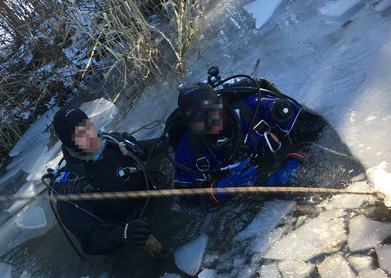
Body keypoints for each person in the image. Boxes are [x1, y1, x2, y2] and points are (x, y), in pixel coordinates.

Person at [168, 71, 327, 205]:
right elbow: (186, 198)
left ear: (221, 104)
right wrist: (221, 189)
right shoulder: (189, 148)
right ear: (190, 124)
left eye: (212, 112)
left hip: (278, 161)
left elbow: (314, 126)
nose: (211, 122)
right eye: (201, 120)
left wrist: (295, 161)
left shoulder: (255, 106)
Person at [45, 107, 163, 256]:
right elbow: (89, 242)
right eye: (81, 134)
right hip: (128, 237)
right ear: (69, 141)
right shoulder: (69, 189)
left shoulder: (112, 142)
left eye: (88, 126)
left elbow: (142, 151)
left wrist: (170, 137)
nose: (90, 135)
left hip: (155, 202)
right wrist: (122, 235)